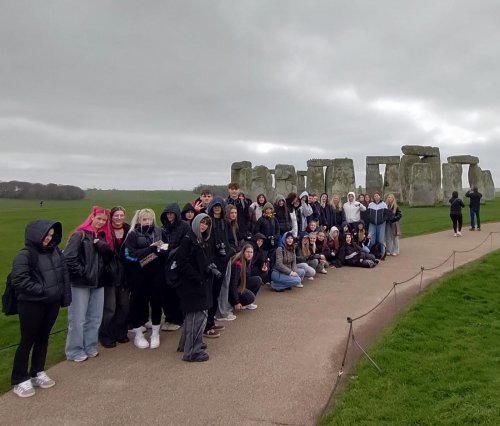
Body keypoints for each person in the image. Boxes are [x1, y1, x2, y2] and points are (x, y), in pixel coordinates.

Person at [10, 220, 71, 397]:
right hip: (32, 303)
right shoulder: (25, 255)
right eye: (46, 235)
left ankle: (37, 372)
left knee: (44, 337)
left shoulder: (55, 251)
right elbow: (19, 280)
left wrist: (63, 295)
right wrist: (43, 290)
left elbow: (63, 274)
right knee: (27, 340)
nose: (48, 238)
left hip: (51, 302)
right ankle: (19, 378)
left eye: (51, 235)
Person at [65, 207, 114, 361]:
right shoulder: (79, 235)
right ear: (92, 217)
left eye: (104, 220)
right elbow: (68, 258)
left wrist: (102, 246)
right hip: (80, 283)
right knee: (77, 319)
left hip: (98, 282)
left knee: (95, 317)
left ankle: (90, 346)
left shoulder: (102, 237)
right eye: (99, 218)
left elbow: (108, 258)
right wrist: (83, 273)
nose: (101, 222)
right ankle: (74, 350)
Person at [123, 208, 165, 349]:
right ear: (139, 220)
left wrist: (162, 251)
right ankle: (138, 334)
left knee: (156, 302)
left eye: (150, 219)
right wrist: (149, 250)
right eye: (144, 219)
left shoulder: (158, 232)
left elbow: (164, 250)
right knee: (138, 303)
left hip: (156, 273)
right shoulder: (133, 234)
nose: (147, 222)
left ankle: (155, 333)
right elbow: (129, 256)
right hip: (138, 275)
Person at [176, 214, 215, 362]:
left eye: (206, 223)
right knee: (197, 316)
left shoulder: (201, 239)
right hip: (192, 285)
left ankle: (185, 344)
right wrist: (197, 277)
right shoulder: (188, 240)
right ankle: (192, 351)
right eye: (202, 223)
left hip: (200, 282)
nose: (204, 226)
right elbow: (182, 263)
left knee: (192, 317)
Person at [99, 206, 131, 348]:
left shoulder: (129, 230)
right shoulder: (104, 232)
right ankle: (106, 336)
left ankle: (121, 333)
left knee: (124, 305)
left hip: (125, 273)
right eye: (116, 215)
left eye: (121, 215)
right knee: (110, 307)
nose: (119, 218)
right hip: (109, 273)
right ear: (111, 217)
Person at [160, 203, 191, 332]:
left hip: (178, 263)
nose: (169, 216)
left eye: (172, 213)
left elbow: (186, 244)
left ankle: (178, 319)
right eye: (167, 214)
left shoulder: (185, 226)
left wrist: (171, 248)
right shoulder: (164, 227)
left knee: (177, 293)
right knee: (166, 293)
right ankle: (169, 318)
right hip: (165, 262)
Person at [228, 244, 262, 311]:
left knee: (257, 280)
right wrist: (236, 302)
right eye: (247, 252)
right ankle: (237, 303)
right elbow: (233, 285)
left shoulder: (247, 261)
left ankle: (247, 303)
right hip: (234, 289)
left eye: (251, 252)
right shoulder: (237, 264)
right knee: (251, 297)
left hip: (241, 284)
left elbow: (247, 277)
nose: (249, 254)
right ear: (243, 252)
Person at [367, 192, 389, 259]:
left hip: (381, 224)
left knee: (381, 240)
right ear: (373, 197)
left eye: (377, 196)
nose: (376, 197)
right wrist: (370, 220)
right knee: (371, 240)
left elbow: (386, 215)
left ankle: (383, 254)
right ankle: (366, 252)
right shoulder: (370, 204)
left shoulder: (384, 204)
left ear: (380, 196)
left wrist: (382, 220)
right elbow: (368, 214)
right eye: (375, 196)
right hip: (372, 224)